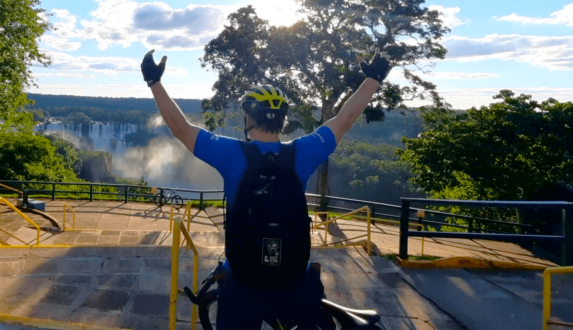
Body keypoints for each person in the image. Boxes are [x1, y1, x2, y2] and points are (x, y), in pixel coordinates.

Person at [141, 48, 391, 329]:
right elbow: (344, 120)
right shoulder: (303, 153)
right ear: (283, 119)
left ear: (248, 118)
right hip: (295, 280)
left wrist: (154, 82)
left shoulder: (231, 154)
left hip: (242, 282)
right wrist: (374, 78)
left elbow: (180, 127)